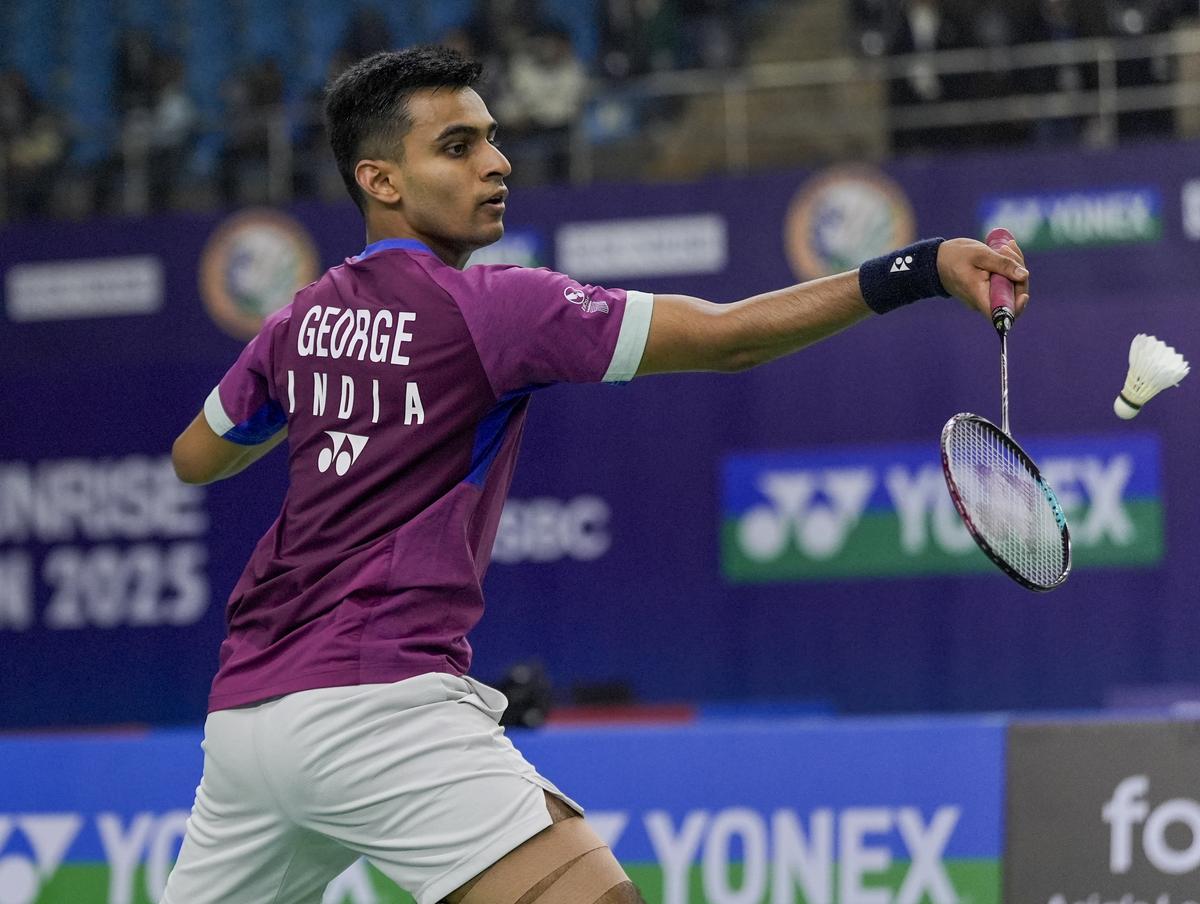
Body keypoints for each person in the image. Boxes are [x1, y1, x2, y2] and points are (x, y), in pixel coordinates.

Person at [166, 45, 1029, 904]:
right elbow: (730, 337)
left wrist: (331, 397)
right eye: (458, 147)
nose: (498, 162)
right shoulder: (496, 309)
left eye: (492, 139)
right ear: (382, 181)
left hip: (245, 727)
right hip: (377, 707)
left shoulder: (298, 322)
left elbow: (198, 457)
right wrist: (919, 268)